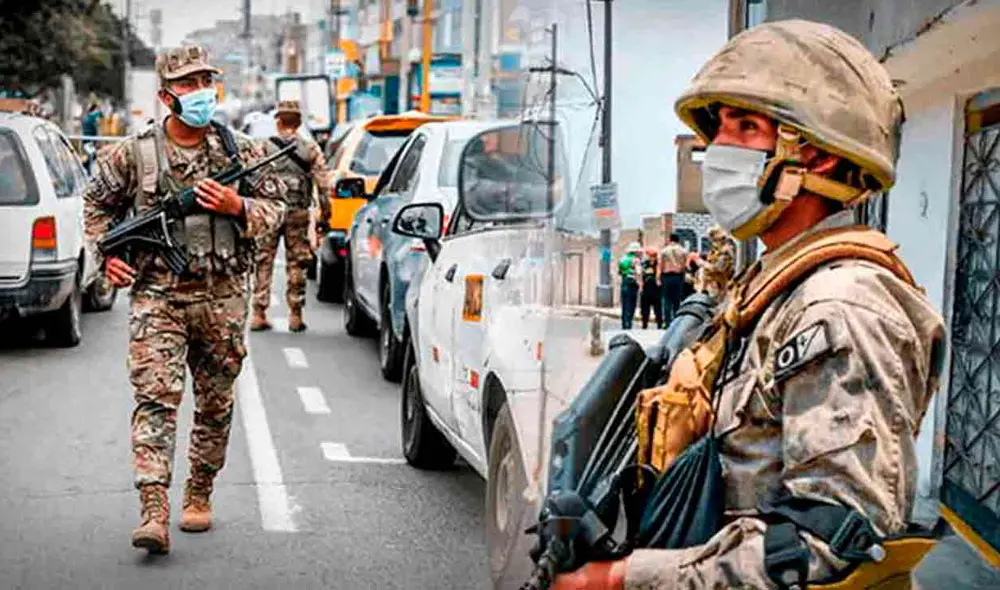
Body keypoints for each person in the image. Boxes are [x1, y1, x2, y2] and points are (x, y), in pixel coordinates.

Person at [551, 19, 945, 589]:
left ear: (820, 157)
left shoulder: (842, 307)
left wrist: (619, 579)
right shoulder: (769, 287)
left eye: (746, 125)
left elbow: (829, 545)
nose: (717, 148)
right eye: (719, 128)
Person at [82, 45, 287, 555]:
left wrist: (240, 205)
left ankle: (199, 491)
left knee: (215, 404)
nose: (200, 92)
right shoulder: (134, 153)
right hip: (159, 298)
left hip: (223, 296)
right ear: (166, 95)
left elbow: (280, 206)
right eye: (189, 84)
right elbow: (96, 206)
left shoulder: (240, 152)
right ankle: (154, 511)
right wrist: (106, 258)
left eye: (206, 82)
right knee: (156, 399)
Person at [250, 100, 330, 333]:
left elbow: (250, 179)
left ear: (278, 121)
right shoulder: (310, 149)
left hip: (268, 213)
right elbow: (323, 185)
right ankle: (295, 314)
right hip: (298, 212)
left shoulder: (263, 147)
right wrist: (325, 214)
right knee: (297, 262)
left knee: (263, 260)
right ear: (299, 122)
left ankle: (258, 313)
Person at [696, 225, 735, 299]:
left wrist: (703, 264)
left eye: (714, 240)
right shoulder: (716, 250)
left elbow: (719, 268)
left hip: (720, 286)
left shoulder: (725, 251)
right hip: (712, 285)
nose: (713, 242)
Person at [658, 233, 688, 325]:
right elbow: (684, 265)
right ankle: (676, 321)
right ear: (678, 240)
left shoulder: (664, 251)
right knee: (677, 300)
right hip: (678, 276)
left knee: (667, 299)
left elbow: (661, 265)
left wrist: (660, 276)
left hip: (667, 276)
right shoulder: (683, 251)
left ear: (670, 239)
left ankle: (667, 321)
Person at [617, 242, 642, 330]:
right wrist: (640, 283)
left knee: (624, 305)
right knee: (631, 305)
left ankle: (624, 324)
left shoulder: (622, 259)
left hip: (624, 282)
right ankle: (628, 324)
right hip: (632, 284)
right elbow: (638, 272)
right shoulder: (636, 260)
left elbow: (620, 272)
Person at [639, 246, 662, 329]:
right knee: (645, 309)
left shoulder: (659, 265)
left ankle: (659, 324)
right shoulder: (644, 264)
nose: (652, 257)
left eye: (654, 255)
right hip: (646, 288)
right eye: (650, 255)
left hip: (656, 289)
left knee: (658, 308)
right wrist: (641, 286)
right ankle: (644, 324)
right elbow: (641, 275)